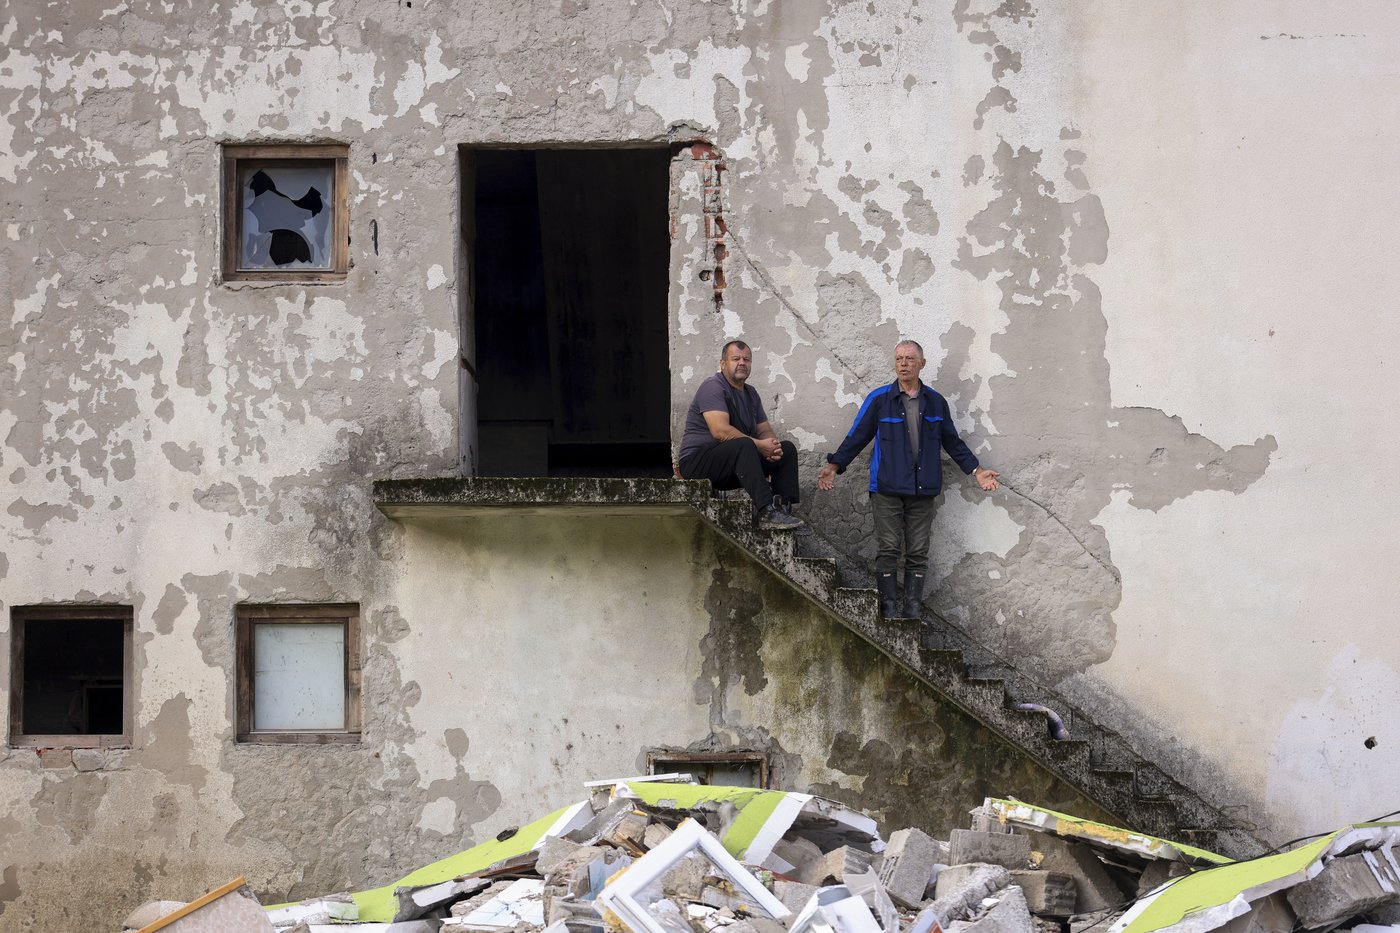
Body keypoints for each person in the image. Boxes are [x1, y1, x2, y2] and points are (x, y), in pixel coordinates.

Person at [817, 340, 999, 618]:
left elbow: (952, 442)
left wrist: (977, 470)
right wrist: (834, 466)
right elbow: (857, 436)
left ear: (921, 364)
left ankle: (912, 611)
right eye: (899, 358)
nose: (903, 363)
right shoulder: (879, 399)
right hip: (887, 488)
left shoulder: (936, 402)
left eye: (910, 359)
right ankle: (888, 610)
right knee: (888, 548)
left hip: (922, 490)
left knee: (918, 552)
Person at [678, 341, 805, 531]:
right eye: (736, 359)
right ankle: (766, 512)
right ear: (723, 364)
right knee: (744, 444)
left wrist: (772, 446)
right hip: (697, 462)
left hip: (734, 464)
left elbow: (763, 430)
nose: (742, 363)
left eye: (746, 359)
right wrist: (760, 446)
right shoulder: (713, 387)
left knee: (786, 449)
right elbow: (720, 432)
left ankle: (782, 511)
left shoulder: (751, 393)